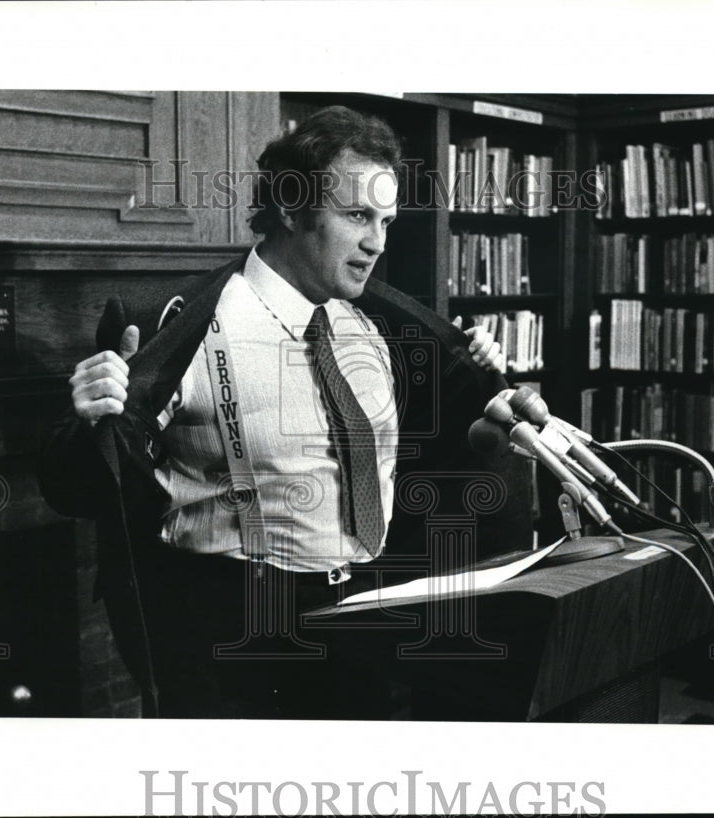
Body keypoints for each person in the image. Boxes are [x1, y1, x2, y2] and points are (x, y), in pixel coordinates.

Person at [38, 105, 533, 719]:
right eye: (356, 216)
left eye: (385, 220)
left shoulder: (373, 321)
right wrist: (90, 419)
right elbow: (81, 487)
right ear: (293, 208)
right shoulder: (186, 324)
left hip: (361, 621)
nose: (376, 242)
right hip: (233, 639)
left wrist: (485, 409)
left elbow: (421, 454)